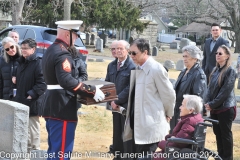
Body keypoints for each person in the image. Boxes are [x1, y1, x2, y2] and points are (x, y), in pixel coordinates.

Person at [41, 20, 105, 160]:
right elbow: (66, 80)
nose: (76, 38)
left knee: (54, 151)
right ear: (67, 34)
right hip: (62, 106)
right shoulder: (62, 53)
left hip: (52, 104)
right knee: (61, 153)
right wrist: (91, 91)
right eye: (75, 35)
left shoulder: (51, 49)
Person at [122, 38, 176, 159]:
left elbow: (169, 95)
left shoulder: (156, 69)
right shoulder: (138, 68)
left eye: (134, 53)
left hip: (151, 126)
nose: (131, 56)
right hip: (137, 125)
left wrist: (169, 113)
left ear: (145, 52)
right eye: (130, 52)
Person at [13, 38, 47, 152]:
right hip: (20, 100)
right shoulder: (21, 62)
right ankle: (26, 150)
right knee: (23, 129)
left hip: (32, 101)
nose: (23, 50)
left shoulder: (38, 63)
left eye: (25, 48)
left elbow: (42, 84)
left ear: (33, 49)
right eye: (22, 48)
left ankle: (35, 151)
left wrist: (30, 95)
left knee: (33, 130)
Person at [204, 45, 237, 160]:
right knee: (218, 134)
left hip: (226, 108)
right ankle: (220, 156)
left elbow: (225, 92)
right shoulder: (215, 70)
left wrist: (212, 104)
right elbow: (209, 89)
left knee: (225, 135)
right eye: (216, 53)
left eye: (220, 53)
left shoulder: (230, 71)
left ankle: (227, 158)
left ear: (227, 56)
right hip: (215, 109)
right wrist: (207, 103)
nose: (217, 55)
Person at [105, 40, 135, 159]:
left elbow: (130, 87)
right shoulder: (111, 65)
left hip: (126, 106)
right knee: (116, 132)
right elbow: (107, 84)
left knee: (126, 133)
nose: (117, 51)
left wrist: (116, 100)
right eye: (116, 49)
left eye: (120, 49)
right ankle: (117, 155)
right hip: (114, 105)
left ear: (127, 50)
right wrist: (110, 100)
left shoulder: (132, 65)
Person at [153, 95, 203, 160]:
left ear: (190, 110)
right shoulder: (195, 118)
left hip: (175, 153)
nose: (180, 107)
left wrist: (160, 143)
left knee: (144, 158)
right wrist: (170, 137)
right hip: (177, 151)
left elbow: (178, 144)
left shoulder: (189, 121)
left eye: (182, 105)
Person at [170, 45, 206, 132]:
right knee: (173, 135)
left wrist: (186, 111)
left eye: (187, 56)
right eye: (183, 56)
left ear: (195, 58)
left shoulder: (199, 74)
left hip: (187, 114)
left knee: (182, 139)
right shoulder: (183, 71)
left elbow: (196, 98)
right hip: (177, 109)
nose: (184, 59)